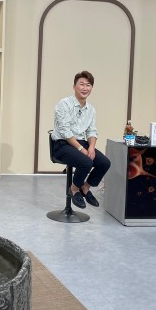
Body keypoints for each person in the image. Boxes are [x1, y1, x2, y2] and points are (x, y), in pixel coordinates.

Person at [51, 71, 111, 209]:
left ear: (91, 88)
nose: (85, 88)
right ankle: (73, 189)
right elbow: (65, 132)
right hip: (62, 144)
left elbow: (92, 131)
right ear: (74, 87)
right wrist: (81, 149)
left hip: (80, 142)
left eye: (88, 85)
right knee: (86, 162)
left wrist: (91, 147)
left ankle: (85, 188)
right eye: (81, 84)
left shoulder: (91, 110)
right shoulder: (64, 104)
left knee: (104, 163)